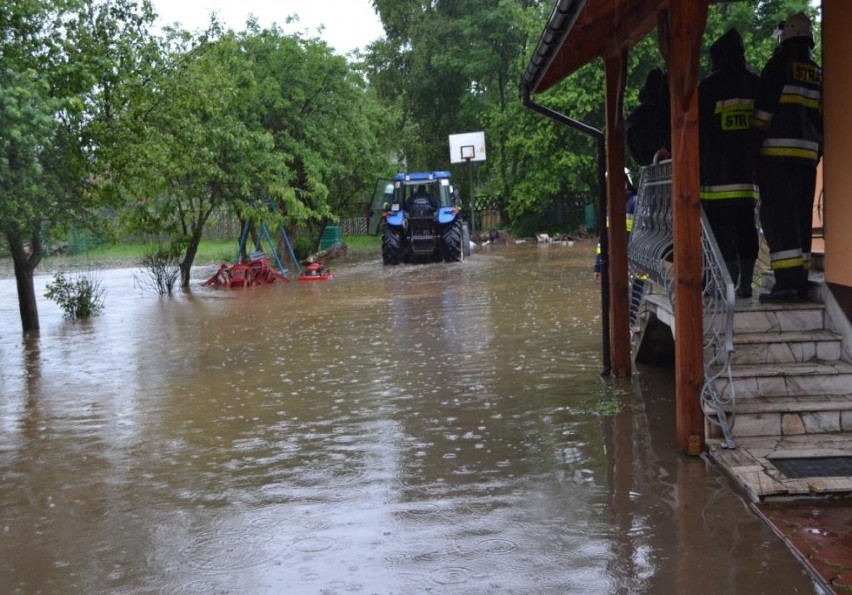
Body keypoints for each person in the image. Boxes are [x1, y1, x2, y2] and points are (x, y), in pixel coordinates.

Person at [751, 12, 823, 303]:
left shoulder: (779, 65)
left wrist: (752, 150)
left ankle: (786, 285)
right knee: (800, 218)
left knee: (779, 219)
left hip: (777, 157)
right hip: (806, 158)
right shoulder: (817, 71)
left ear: (788, 35)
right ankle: (800, 282)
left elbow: (763, 113)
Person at [698, 28, 761, 299]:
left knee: (719, 234)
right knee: (746, 230)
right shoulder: (755, 84)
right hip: (748, 179)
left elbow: (697, 131)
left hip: (716, 181)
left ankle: (723, 284)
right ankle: (745, 284)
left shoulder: (709, 87)